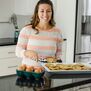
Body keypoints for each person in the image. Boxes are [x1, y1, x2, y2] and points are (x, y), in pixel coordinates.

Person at [15, 0, 63, 87]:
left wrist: (56, 60)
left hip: (48, 76)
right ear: (37, 13)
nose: (45, 14)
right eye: (42, 11)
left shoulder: (57, 32)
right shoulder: (27, 30)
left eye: (48, 11)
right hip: (29, 75)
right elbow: (18, 51)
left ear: (52, 13)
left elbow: (59, 55)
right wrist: (26, 52)